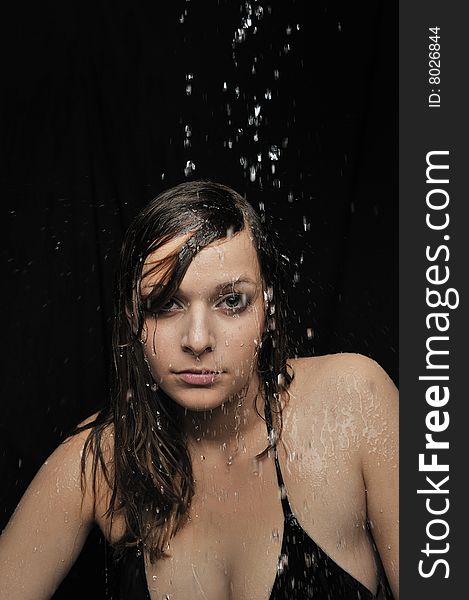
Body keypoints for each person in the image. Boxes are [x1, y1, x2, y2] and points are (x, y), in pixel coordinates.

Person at [0, 180, 399, 600]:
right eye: (166, 303)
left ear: (268, 307)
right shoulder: (103, 461)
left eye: (231, 302)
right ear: (132, 317)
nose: (196, 339)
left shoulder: (352, 402)